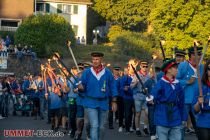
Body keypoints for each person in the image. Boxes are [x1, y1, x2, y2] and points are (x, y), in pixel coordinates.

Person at [77, 52, 118, 140]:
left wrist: (114, 101)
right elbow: (82, 86)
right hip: (91, 102)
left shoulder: (107, 72)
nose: (95, 61)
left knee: (102, 127)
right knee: (95, 126)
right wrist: (80, 88)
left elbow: (113, 87)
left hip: (104, 102)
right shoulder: (87, 72)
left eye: (97, 59)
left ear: (101, 60)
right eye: (93, 59)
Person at [149, 59, 187, 140]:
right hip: (162, 116)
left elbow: (181, 102)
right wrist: (150, 100)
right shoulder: (160, 83)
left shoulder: (177, 84)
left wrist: (183, 118)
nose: (177, 70)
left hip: (175, 116)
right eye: (175, 68)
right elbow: (152, 96)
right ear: (168, 70)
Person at [176, 46, 204, 134]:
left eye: (200, 54)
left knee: (200, 126)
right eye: (196, 54)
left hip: (198, 100)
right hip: (185, 100)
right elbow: (175, 81)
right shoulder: (183, 65)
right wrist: (187, 81)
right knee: (181, 125)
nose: (198, 56)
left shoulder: (202, 67)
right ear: (190, 55)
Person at [130, 61, 150, 136]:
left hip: (146, 96)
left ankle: (145, 128)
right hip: (138, 96)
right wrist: (136, 82)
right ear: (140, 67)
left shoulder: (148, 75)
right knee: (138, 113)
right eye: (143, 66)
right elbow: (131, 86)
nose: (145, 68)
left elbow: (151, 85)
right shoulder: (136, 75)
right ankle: (137, 129)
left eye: (146, 66)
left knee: (147, 112)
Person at [193, 60, 210, 140]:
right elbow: (195, 110)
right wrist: (199, 103)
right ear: (206, 71)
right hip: (204, 122)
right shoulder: (200, 87)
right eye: (209, 68)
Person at [119, 67, 134, 134]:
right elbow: (120, 88)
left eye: (127, 71)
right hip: (125, 98)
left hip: (132, 98)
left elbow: (133, 87)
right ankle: (125, 127)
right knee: (126, 113)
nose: (126, 72)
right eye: (125, 71)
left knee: (131, 113)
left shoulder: (131, 78)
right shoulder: (122, 79)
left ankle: (130, 126)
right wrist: (124, 89)